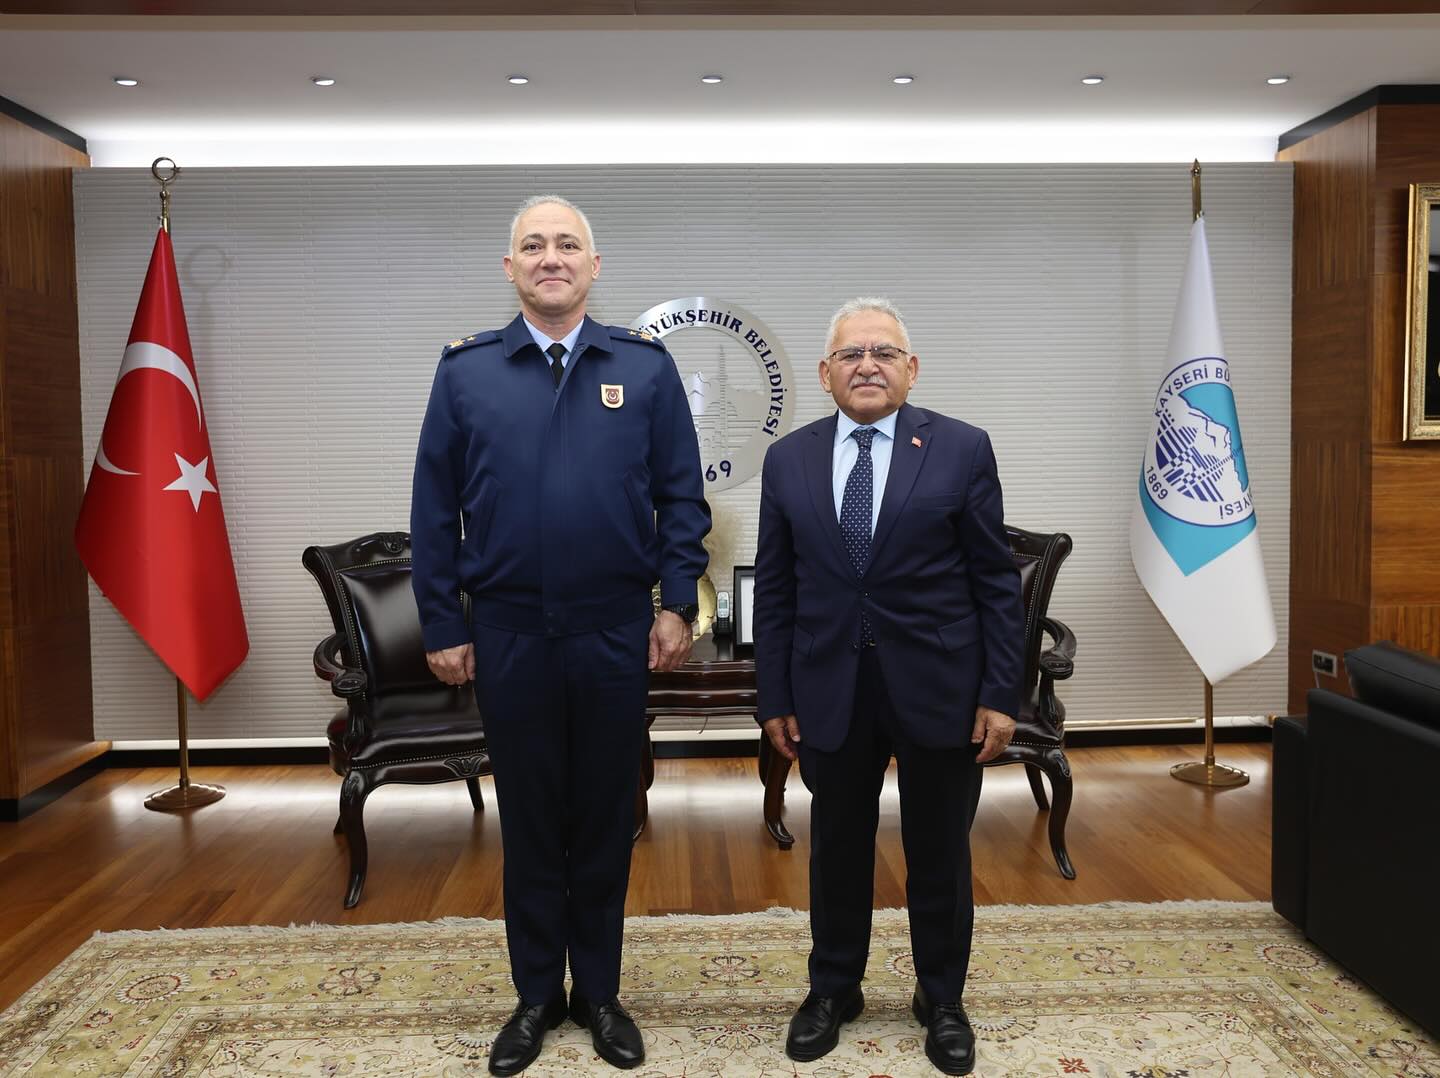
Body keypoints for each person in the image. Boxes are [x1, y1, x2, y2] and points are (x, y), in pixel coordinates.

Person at [410, 195, 710, 1076]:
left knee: (607, 817)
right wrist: (444, 620)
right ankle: (537, 995)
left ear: (594, 265)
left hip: (614, 631)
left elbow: (681, 497)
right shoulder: (466, 371)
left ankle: (602, 995)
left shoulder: (644, 369)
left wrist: (676, 603)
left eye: (567, 244)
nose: (551, 257)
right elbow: (433, 509)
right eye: (534, 245)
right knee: (533, 819)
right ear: (510, 267)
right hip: (508, 633)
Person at [752, 297, 1023, 1076]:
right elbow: (776, 588)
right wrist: (775, 697)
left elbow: (994, 583)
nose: (866, 365)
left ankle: (942, 999)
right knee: (837, 848)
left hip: (940, 685)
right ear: (825, 373)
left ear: (911, 368)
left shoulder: (962, 448)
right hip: (828, 688)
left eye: (883, 352)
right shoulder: (789, 459)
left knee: (938, 850)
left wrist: (1001, 692)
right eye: (850, 354)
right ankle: (833, 989)